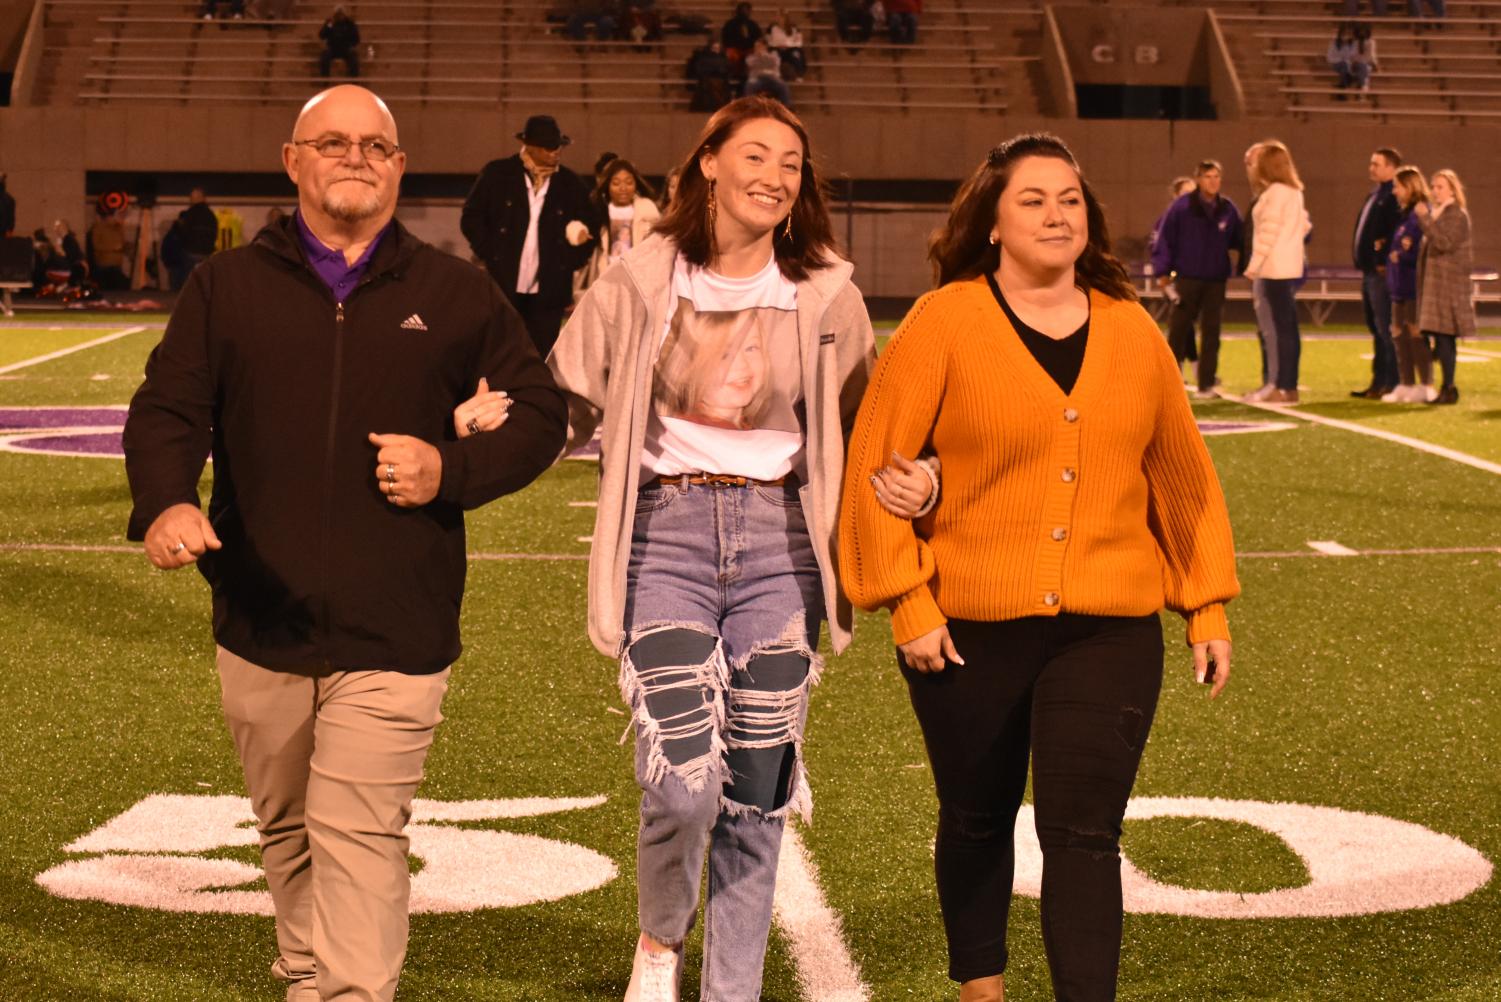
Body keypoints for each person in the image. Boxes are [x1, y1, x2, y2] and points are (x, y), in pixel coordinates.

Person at [121, 85, 567, 1002]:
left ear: (399, 168)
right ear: (294, 161)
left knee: (358, 825)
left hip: (396, 618)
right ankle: (305, 963)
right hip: (259, 610)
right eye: (333, 142)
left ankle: (349, 991)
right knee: (286, 823)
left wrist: (449, 468)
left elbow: (541, 414)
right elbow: (168, 408)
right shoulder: (225, 286)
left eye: (375, 145)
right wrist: (166, 501)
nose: (355, 156)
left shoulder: (454, 291)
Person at [839, 132, 1237, 1002]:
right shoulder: (942, 321)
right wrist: (906, 601)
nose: (1056, 214)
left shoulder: (1132, 328)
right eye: (1032, 199)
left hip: (1109, 626)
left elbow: (1181, 474)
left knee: (1084, 831)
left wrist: (1204, 601)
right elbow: (875, 465)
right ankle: (981, 989)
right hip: (967, 625)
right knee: (976, 817)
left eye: (1069, 199)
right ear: (989, 221)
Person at [541, 95, 884, 1002]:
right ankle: (661, 942)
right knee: (684, 779)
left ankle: (731, 990)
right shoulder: (640, 277)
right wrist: (488, 427)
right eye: (756, 156)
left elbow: (869, 417)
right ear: (708, 164)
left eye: (791, 165)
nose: (774, 177)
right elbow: (566, 392)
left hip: (779, 544)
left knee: (759, 787)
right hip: (667, 536)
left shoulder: (824, 292)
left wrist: (913, 475)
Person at [461, 114, 597, 358]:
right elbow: (471, 217)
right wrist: (492, 253)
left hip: (550, 288)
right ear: (530, 146)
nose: (556, 152)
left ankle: (537, 395)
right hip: (503, 281)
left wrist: (569, 262)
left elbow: (591, 228)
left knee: (542, 353)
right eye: (549, 147)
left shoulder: (570, 183)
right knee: (500, 349)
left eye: (558, 147)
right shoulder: (498, 174)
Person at [1151, 160, 1243, 399]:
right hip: (1187, 278)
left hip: (1215, 279)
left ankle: (1206, 384)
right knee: (1178, 331)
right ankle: (1169, 384)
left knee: (1212, 333)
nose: (1213, 181)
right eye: (1208, 177)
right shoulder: (1181, 207)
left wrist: (1244, 265)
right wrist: (1162, 271)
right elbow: (1165, 240)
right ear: (1199, 179)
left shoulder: (1227, 209)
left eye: (1217, 177)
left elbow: (1241, 239)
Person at [1243, 142, 1309, 404]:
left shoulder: (1275, 193)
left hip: (1274, 269)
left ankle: (1281, 386)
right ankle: (1288, 387)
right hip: (1289, 267)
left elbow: (1267, 235)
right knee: (1289, 328)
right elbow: (1304, 226)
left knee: (1280, 330)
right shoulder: (1294, 191)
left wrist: (1254, 266)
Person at [1414, 168, 1473, 405]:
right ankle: (1445, 386)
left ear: (1452, 190)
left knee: (1445, 338)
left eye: (1440, 187)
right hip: (1435, 288)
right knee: (1436, 337)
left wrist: (1425, 219)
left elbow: (1444, 242)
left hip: (1448, 289)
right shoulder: (1439, 213)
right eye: (1433, 186)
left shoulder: (1456, 214)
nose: (1435, 191)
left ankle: (1449, 387)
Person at [1349, 147, 1402, 399]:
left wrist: (1382, 261)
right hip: (1369, 270)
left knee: (1384, 328)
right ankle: (1378, 380)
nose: (1371, 168)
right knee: (1376, 327)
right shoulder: (1376, 194)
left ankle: (1390, 381)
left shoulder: (1392, 195)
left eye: (1377, 164)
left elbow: (1392, 232)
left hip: (1380, 272)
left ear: (1392, 168)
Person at [1382, 166, 1435, 403]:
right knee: (1399, 334)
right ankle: (1406, 383)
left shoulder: (1420, 215)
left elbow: (1423, 252)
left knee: (1415, 335)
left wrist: (1401, 256)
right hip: (1398, 286)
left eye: (1397, 186)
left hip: (1413, 286)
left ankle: (1426, 384)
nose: (1394, 191)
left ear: (1409, 186)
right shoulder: (1405, 217)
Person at [577, 157, 660, 296]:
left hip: (638, 281)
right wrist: (578, 233)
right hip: (605, 280)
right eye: (616, 183)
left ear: (636, 184)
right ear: (607, 185)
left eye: (629, 182)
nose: (623, 188)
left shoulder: (648, 210)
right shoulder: (597, 210)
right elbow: (577, 227)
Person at [176, 188, 220, 275]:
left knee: (189, 280)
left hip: (191, 252)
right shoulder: (211, 215)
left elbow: (183, 233)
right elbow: (214, 234)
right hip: (207, 253)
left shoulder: (190, 214)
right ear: (204, 198)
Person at [88, 206, 130, 291]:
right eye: (118, 215)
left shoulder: (119, 228)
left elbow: (122, 243)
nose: (121, 217)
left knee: (119, 291)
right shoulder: (98, 228)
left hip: (117, 266)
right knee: (106, 291)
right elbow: (96, 246)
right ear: (110, 216)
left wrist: (126, 246)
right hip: (104, 267)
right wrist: (113, 248)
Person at [687, 37, 733, 112]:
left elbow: (728, 69)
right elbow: (699, 69)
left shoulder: (724, 58)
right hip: (707, 80)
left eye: (718, 48)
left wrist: (721, 71)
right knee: (710, 85)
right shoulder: (704, 57)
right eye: (715, 47)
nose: (716, 49)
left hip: (721, 80)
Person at [744, 38, 792, 106]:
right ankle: (750, 107)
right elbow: (749, 63)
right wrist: (758, 56)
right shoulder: (751, 57)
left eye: (759, 46)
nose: (757, 48)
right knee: (750, 85)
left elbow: (776, 63)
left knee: (783, 86)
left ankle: (787, 107)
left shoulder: (774, 55)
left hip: (772, 78)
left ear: (765, 47)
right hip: (757, 79)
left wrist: (765, 55)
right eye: (756, 46)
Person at [318, 6, 361, 78]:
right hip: (332, 48)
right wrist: (329, 25)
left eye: (341, 14)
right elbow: (322, 35)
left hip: (346, 48)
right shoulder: (330, 23)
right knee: (324, 56)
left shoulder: (349, 24)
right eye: (337, 14)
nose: (339, 16)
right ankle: (325, 79)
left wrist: (351, 45)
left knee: (353, 57)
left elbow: (356, 38)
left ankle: (354, 80)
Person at [767, 11, 805, 79]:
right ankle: (774, 75)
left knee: (796, 55)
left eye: (780, 17)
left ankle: (799, 74)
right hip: (777, 48)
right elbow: (768, 41)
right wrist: (778, 45)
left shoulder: (794, 28)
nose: (778, 19)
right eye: (776, 17)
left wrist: (788, 45)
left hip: (791, 48)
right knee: (773, 54)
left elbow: (799, 42)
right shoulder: (771, 28)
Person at [1327, 23, 1360, 91]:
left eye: (1348, 34)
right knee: (1344, 64)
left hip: (1349, 65)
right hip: (1336, 64)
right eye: (1344, 34)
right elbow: (1330, 57)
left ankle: (1343, 85)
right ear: (1340, 34)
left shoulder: (1353, 44)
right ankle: (1349, 79)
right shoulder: (1334, 43)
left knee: (1345, 66)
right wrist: (1341, 60)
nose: (1346, 36)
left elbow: (1353, 56)